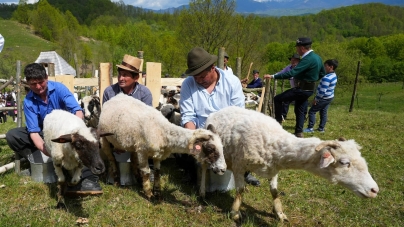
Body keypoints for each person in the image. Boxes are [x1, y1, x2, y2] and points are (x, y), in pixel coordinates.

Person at [5, 63, 102, 196]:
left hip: (67, 130)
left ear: (47, 78)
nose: (38, 87)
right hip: (44, 133)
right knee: (13, 135)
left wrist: (75, 130)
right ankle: (40, 160)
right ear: (28, 83)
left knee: (84, 142)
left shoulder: (60, 89)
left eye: (41, 82)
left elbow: (77, 112)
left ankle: (87, 178)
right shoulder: (28, 101)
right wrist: (51, 152)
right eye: (34, 84)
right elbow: (33, 132)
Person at [179, 47, 260, 186]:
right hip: (200, 133)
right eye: (195, 77)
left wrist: (225, 141)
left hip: (227, 134)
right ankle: (191, 169)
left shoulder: (232, 82)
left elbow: (238, 115)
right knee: (187, 145)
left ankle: (244, 171)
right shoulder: (188, 84)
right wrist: (194, 138)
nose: (198, 80)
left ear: (212, 68)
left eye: (202, 77)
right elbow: (188, 116)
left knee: (246, 139)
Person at [102, 54, 154, 180]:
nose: (121, 78)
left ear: (136, 77)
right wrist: (116, 142)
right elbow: (105, 120)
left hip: (138, 135)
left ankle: (146, 168)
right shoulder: (109, 92)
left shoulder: (144, 93)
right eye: (120, 74)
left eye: (125, 75)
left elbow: (147, 120)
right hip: (115, 135)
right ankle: (112, 167)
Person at [264, 37, 325, 138]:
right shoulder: (317, 57)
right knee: (300, 109)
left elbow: (292, 73)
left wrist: (273, 76)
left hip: (301, 89)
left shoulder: (307, 59)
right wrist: (312, 80)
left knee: (278, 99)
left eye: (297, 48)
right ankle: (298, 132)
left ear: (301, 48)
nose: (297, 50)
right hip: (309, 89)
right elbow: (322, 73)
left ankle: (278, 125)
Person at [304, 59, 338, 133]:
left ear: (331, 67)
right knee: (323, 112)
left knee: (312, 111)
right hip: (329, 97)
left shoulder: (327, 78)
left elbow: (322, 91)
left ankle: (310, 128)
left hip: (323, 98)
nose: (324, 67)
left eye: (325, 66)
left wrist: (316, 99)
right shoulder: (334, 75)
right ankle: (321, 128)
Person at [277, 53, 301, 120]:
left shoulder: (300, 68)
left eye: (295, 60)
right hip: (293, 89)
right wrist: (272, 76)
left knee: (299, 105)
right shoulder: (289, 67)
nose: (293, 61)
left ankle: (301, 118)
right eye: (292, 60)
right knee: (286, 100)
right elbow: (281, 73)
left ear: (298, 61)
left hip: (301, 89)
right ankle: (283, 115)